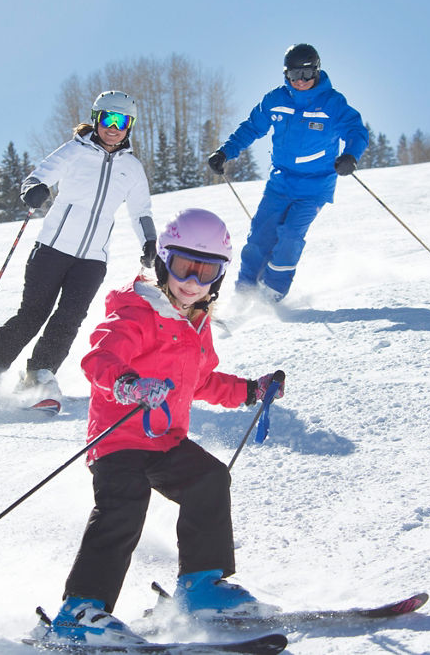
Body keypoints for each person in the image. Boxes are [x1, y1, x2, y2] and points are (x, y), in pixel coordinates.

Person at [36, 208, 285, 646]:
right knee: (124, 505)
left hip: (166, 440)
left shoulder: (196, 324)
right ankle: (81, 610)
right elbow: (97, 359)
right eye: (185, 266)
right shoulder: (137, 311)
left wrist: (250, 390)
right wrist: (129, 384)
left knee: (209, 478)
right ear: (163, 261)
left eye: (206, 271)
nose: (193, 280)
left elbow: (201, 381)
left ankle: (201, 587)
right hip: (118, 438)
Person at [0, 91, 157, 400]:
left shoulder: (131, 168)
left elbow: (141, 211)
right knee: (32, 314)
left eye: (122, 121)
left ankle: (40, 375)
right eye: (108, 118)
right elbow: (37, 177)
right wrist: (35, 190)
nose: (113, 127)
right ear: (96, 119)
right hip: (52, 249)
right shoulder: (75, 151)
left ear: (129, 126)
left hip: (93, 260)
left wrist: (149, 241)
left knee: (69, 319)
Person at [208, 43, 368, 302]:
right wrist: (225, 152)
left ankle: (273, 291)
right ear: (286, 75)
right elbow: (251, 128)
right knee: (260, 237)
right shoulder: (276, 100)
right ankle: (245, 293)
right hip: (280, 183)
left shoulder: (332, 103)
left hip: (315, 187)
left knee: (291, 235)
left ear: (317, 72)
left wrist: (351, 155)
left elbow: (356, 131)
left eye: (306, 75)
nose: (301, 81)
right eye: (295, 75)